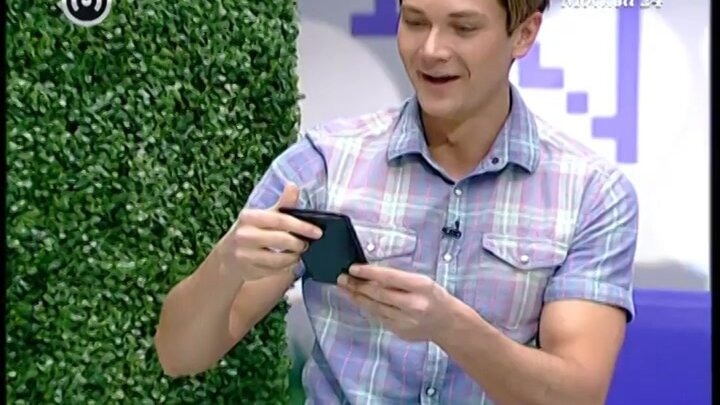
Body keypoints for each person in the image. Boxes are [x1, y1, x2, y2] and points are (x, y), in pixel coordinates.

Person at [154, 0, 639, 403]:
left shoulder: (592, 193)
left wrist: (452, 328)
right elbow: (179, 355)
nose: (431, 50)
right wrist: (226, 263)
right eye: (415, 21)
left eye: (463, 28)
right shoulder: (324, 162)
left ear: (524, 34)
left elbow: (577, 395)